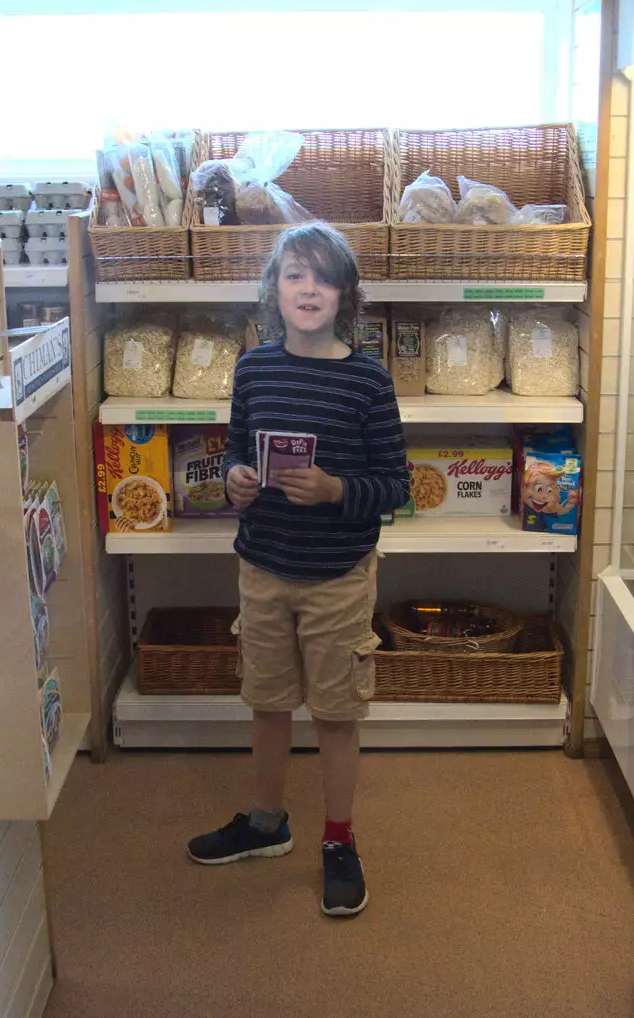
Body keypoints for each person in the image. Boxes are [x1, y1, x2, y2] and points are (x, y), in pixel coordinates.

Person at [187, 223, 410, 918]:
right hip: (263, 569)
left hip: (338, 578)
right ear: (273, 290)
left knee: (337, 715)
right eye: (293, 275)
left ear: (345, 294)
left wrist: (337, 490)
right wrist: (237, 482)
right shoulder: (254, 368)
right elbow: (231, 452)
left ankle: (339, 839)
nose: (307, 289)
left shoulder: (368, 381)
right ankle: (265, 822)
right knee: (268, 703)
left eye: (322, 277)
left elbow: (396, 484)